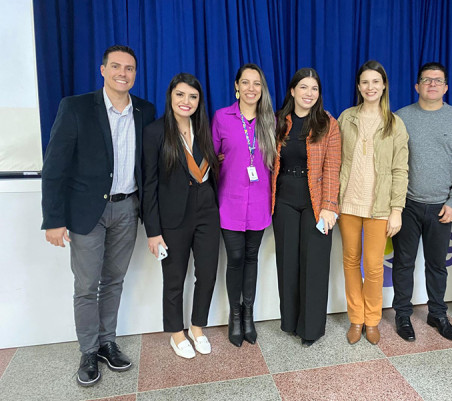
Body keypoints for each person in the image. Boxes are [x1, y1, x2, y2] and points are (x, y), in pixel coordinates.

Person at [41, 45, 155, 386]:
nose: (123, 72)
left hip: (127, 208)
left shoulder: (145, 111)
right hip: (86, 211)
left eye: (130, 68)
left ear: (136, 73)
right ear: (102, 70)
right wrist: (53, 219)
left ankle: (108, 342)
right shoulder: (75, 108)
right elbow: (54, 167)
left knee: (115, 281)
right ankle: (88, 351)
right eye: (116, 66)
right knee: (87, 285)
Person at [142, 73, 220, 359]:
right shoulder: (154, 133)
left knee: (208, 274)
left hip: (207, 211)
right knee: (174, 278)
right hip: (172, 216)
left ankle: (197, 326)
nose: (186, 102)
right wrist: (153, 231)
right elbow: (148, 184)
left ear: (199, 101)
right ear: (170, 97)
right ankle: (176, 333)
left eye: (192, 96)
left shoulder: (204, 130)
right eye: (180, 95)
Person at [393, 62, 452, 342]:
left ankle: (437, 313)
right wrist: (395, 204)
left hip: (443, 206)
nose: (432, 85)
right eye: (426, 80)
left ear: (446, 87)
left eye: (438, 81)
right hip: (408, 204)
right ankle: (402, 313)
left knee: (437, 265)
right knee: (403, 262)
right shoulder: (400, 117)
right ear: (417, 86)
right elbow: (392, 162)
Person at [338, 60, 409, 345]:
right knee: (351, 262)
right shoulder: (346, 118)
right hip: (348, 205)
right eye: (365, 82)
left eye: (376, 82)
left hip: (380, 207)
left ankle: (372, 320)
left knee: (374, 266)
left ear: (384, 86)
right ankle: (356, 319)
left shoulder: (395, 123)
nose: (370, 87)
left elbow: (400, 169)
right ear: (359, 86)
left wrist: (397, 210)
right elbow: (335, 161)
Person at [271, 68, 341, 347]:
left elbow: (333, 168)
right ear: (292, 91)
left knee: (314, 266)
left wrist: (329, 206)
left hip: (317, 203)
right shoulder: (278, 121)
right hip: (284, 200)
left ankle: (310, 329)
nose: (309, 93)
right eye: (303, 87)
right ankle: (289, 322)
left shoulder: (328, 123)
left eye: (314, 88)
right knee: (288, 264)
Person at [212, 64, 276, 347]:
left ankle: (249, 314)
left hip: (260, 203)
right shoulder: (221, 117)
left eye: (257, 84)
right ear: (236, 86)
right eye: (246, 83)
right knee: (235, 259)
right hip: (230, 203)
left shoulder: (271, 121)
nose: (251, 88)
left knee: (252, 258)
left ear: (262, 89)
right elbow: (212, 160)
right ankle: (235, 316)